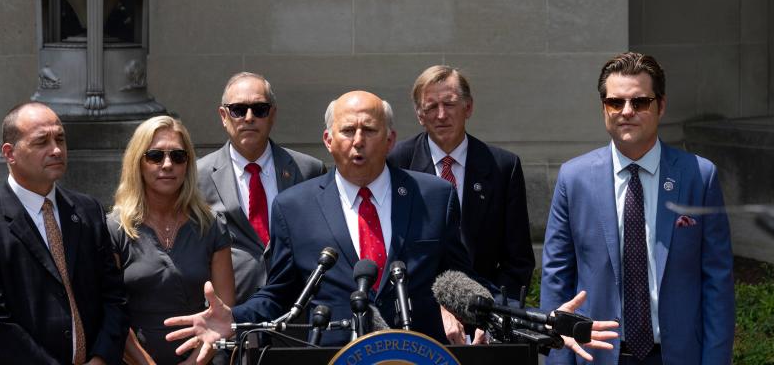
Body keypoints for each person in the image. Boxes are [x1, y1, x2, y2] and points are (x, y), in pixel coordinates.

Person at [167, 91, 618, 363]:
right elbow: (281, 294)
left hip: (420, 357)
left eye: (369, 129)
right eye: (347, 131)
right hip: (336, 358)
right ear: (329, 140)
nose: (358, 140)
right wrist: (234, 320)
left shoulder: (433, 197)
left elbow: (460, 283)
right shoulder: (294, 207)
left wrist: (538, 325)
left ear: (391, 138)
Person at [541, 52, 734, 365]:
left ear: (661, 105)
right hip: (597, 356)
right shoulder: (574, 178)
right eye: (615, 102)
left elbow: (717, 283)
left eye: (640, 102)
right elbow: (556, 279)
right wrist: (557, 356)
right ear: (604, 107)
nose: (626, 112)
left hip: (676, 356)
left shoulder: (699, 176)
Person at [0, 102, 126, 365]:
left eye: (60, 139)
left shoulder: (88, 211)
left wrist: (101, 358)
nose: (56, 150)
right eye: (42, 141)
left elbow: (114, 296)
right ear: (10, 153)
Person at [389, 65, 534, 294]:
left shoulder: (503, 167)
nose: (441, 115)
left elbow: (518, 260)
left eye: (449, 104)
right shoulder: (397, 164)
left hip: (485, 309)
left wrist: (493, 314)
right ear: (420, 115)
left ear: (468, 107)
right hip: (418, 311)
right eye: (431, 107)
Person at [108, 116, 236, 364]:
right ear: (138, 162)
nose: (167, 165)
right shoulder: (114, 228)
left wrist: (194, 363)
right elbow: (111, 314)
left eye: (178, 156)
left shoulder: (211, 225)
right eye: (155, 156)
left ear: (188, 164)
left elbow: (223, 314)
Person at [197, 72, 326, 303]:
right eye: (238, 109)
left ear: (272, 115)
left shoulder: (309, 171)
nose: (249, 117)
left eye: (259, 109)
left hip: (295, 309)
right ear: (224, 116)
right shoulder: (198, 177)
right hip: (231, 311)